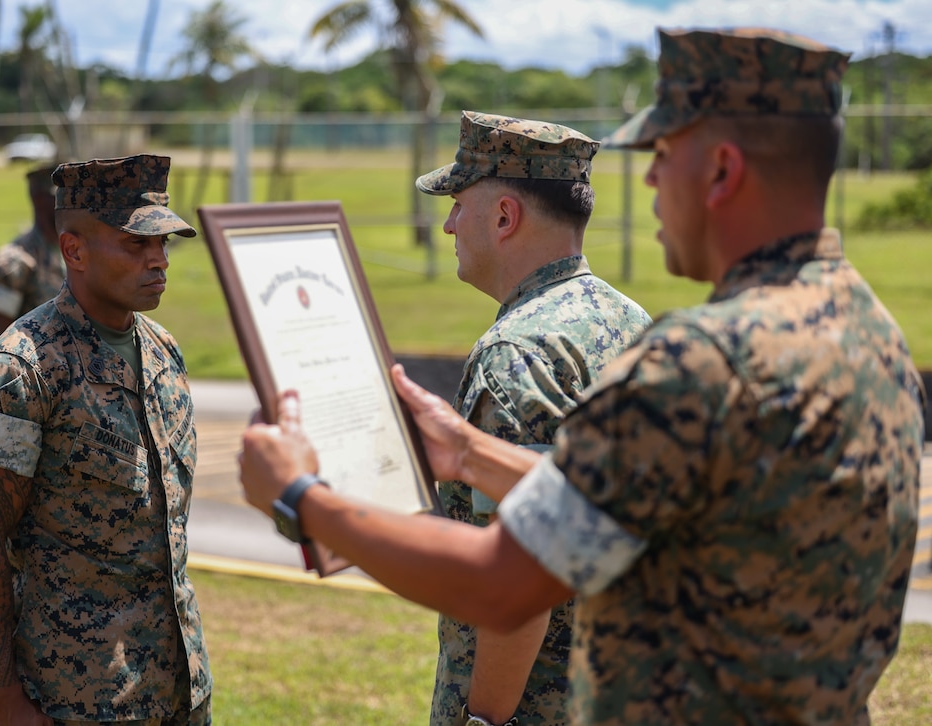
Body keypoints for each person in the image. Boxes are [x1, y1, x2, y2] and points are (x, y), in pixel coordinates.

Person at [238, 27, 926, 724]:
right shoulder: (867, 329)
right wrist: (470, 451)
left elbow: (501, 586)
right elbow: (651, 514)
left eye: (662, 155)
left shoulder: (707, 361)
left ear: (721, 170)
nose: (650, 180)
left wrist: (301, 496)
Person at [0, 154, 212, 725]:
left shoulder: (163, 349)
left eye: (163, 242)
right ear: (75, 251)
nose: (159, 259)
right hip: (79, 697)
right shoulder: (15, 375)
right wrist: (5, 699)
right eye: (136, 244)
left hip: (180, 684)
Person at [415, 111, 652, 726]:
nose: (448, 225)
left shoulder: (515, 354)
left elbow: (520, 582)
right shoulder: (627, 317)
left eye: (458, 205)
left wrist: (483, 719)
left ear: (503, 217)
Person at [0, 163, 65, 351]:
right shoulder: (11, 265)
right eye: (60, 196)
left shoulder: (73, 253)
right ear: (39, 200)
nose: (70, 203)